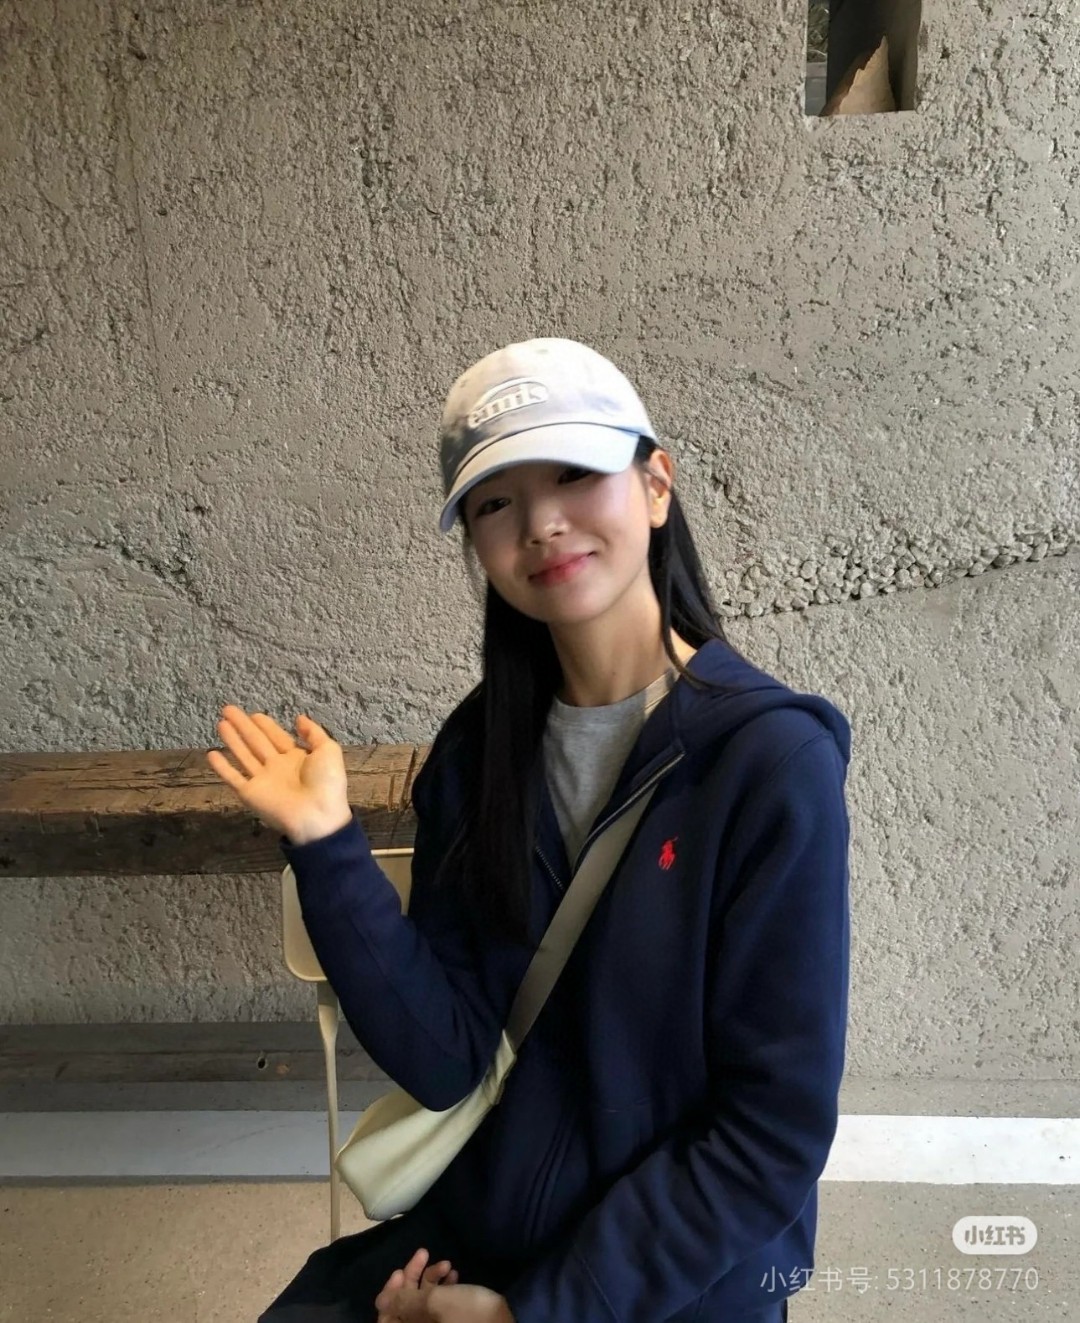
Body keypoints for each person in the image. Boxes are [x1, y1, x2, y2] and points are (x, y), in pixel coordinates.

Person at [208, 337, 852, 1322]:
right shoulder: (477, 754)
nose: (542, 523)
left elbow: (769, 1132)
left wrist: (533, 1312)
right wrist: (328, 847)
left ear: (656, 485)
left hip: (669, 1285)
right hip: (483, 1232)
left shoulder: (767, 765)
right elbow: (445, 1058)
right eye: (496, 502)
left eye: (574, 475)